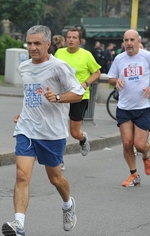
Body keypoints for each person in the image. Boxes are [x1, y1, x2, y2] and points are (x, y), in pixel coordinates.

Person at [1, 25, 85, 236]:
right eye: (29, 43)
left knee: (55, 179)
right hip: (27, 129)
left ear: (48, 44)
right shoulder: (25, 67)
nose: (32, 47)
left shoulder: (59, 66)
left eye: (37, 43)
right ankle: (18, 224)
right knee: (21, 175)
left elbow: (78, 92)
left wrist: (57, 98)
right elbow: (31, 94)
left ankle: (68, 204)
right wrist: (23, 113)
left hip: (52, 132)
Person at [107, 29, 150, 187]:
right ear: (123, 42)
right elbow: (111, 78)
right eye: (127, 40)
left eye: (132, 40)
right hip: (124, 107)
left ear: (139, 41)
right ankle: (134, 175)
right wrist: (116, 80)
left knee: (139, 145)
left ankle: (146, 154)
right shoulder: (119, 58)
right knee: (127, 143)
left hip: (143, 107)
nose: (129, 43)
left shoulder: (146, 56)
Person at [55, 28, 101, 170]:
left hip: (79, 96)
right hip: (62, 95)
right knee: (59, 128)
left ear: (79, 41)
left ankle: (83, 138)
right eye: (69, 37)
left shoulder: (86, 55)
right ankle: (59, 160)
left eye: (74, 37)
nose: (71, 40)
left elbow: (97, 73)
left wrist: (86, 83)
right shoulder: (59, 53)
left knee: (74, 133)